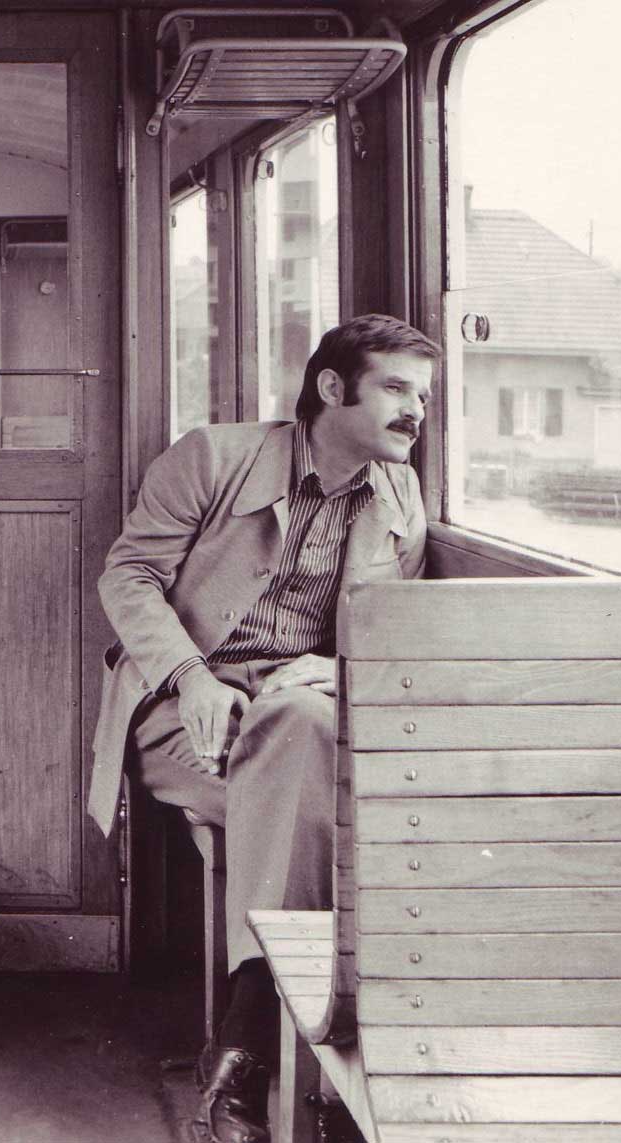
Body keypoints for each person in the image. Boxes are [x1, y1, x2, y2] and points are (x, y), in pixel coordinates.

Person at [91, 314, 440, 1143]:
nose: (415, 411)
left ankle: (242, 1044)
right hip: (186, 718)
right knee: (306, 771)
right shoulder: (213, 456)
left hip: (310, 717)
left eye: (421, 394)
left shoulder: (400, 495)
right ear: (331, 387)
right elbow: (128, 574)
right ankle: (271, 1046)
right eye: (395, 388)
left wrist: (337, 671)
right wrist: (190, 676)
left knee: (300, 725)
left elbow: (396, 631)